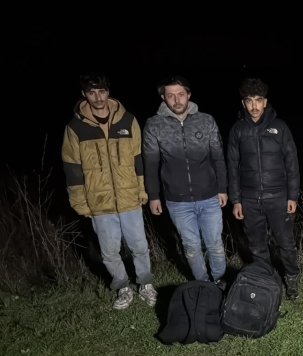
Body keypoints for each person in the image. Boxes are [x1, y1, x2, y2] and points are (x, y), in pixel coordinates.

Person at [61, 72, 156, 310]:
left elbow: (138, 158)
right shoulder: (75, 128)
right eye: (92, 92)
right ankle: (123, 287)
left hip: (129, 196)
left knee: (139, 246)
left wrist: (142, 189)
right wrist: (79, 202)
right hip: (99, 200)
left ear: (108, 92)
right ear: (84, 95)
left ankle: (145, 284)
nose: (98, 97)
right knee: (110, 251)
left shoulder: (127, 120)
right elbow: (72, 168)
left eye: (102, 91)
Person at [143, 75, 228, 285]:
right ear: (163, 98)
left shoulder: (206, 120)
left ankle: (220, 282)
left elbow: (218, 157)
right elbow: (151, 163)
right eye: (171, 95)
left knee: (215, 244)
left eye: (181, 94)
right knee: (191, 246)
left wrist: (222, 188)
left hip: (209, 196)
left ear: (189, 94)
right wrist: (153, 195)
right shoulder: (154, 125)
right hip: (177, 201)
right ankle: (202, 284)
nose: (176, 100)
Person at [227, 78, 301, 299]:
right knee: (256, 245)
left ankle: (292, 277)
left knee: (286, 243)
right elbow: (232, 166)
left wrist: (293, 195)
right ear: (244, 103)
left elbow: (292, 163)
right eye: (249, 101)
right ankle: (267, 280)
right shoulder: (237, 130)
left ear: (265, 102)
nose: (254, 106)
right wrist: (236, 200)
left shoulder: (281, 127)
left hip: (278, 197)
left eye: (259, 100)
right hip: (249, 199)